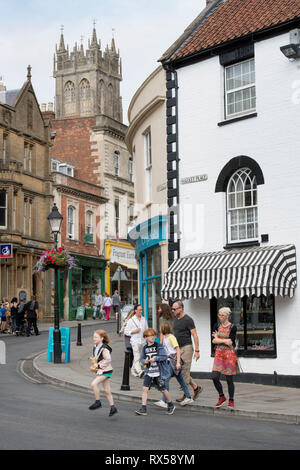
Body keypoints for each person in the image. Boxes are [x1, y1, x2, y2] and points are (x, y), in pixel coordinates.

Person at [135, 328, 175, 416]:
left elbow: (164, 356)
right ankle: (143, 408)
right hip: (149, 372)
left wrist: (155, 358)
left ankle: (171, 405)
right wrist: (144, 361)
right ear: (145, 337)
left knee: (163, 390)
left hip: (159, 372)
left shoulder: (159, 346)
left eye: (153, 335)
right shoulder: (144, 348)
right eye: (150, 336)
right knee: (144, 389)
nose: (152, 337)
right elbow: (141, 359)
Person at [155, 321, 193, 409]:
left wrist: (178, 363)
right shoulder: (164, 338)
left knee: (165, 379)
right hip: (169, 361)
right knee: (181, 380)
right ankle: (188, 397)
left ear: (164, 328)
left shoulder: (171, 337)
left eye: (161, 328)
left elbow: (178, 349)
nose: (160, 329)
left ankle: (164, 401)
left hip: (173, 361)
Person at [172, 300, 202, 402]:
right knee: (179, 371)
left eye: (174, 309)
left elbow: (195, 335)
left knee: (184, 370)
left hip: (187, 347)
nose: (173, 311)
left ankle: (186, 395)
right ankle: (196, 388)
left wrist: (197, 351)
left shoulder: (188, 319)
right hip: (178, 349)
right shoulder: (175, 319)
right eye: (172, 309)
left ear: (181, 308)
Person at [212, 307, 238, 409]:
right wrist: (223, 340)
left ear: (227, 316)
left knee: (229, 379)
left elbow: (230, 342)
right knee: (214, 376)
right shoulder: (217, 325)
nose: (220, 317)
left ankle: (231, 400)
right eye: (219, 315)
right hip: (219, 353)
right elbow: (213, 341)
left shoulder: (233, 327)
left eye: (222, 315)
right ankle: (221, 396)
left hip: (229, 355)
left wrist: (218, 338)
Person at [89, 329, 118, 417]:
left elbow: (108, 359)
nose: (94, 338)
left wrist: (98, 365)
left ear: (101, 338)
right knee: (107, 391)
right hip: (102, 370)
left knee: (94, 384)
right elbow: (97, 357)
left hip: (106, 370)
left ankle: (98, 402)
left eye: (96, 337)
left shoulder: (104, 348)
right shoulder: (95, 346)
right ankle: (113, 407)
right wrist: (94, 362)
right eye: (93, 337)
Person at [124, 304, 148, 378]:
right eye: (139, 310)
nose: (141, 311)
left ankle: (133, 371)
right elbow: (126, 332)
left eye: (141, 310)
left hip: (143, 341)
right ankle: (140, 371)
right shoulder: (131, 320)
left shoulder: (144, 319)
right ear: (135, 310)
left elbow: (146, 329)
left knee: (141, 357)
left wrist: (147, 338)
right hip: (135, 341)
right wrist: (134, 331)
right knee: (137, 356)